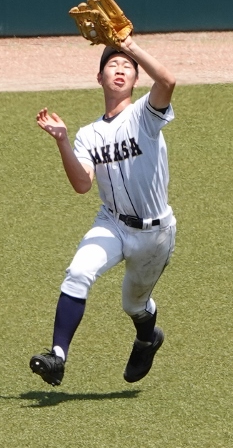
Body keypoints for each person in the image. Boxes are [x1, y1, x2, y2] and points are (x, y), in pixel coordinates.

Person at [30, 35, 178, 387]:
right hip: (111, 223)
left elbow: (168, 81)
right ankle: (57, 356)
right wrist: (62, 141)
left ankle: (147, 338)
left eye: (127, 66)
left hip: (154, 233)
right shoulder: (88, 134)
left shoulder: (144, 115)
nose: (120, 69)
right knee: (78, 272)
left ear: (136, 79)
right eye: (113, 64)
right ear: (100, 78)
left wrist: (129, 45)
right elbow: (82, 184)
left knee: (134, 305)